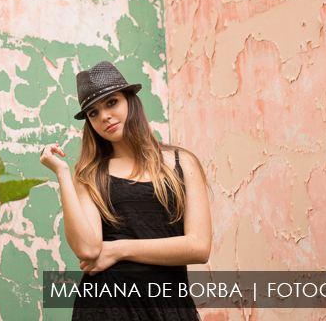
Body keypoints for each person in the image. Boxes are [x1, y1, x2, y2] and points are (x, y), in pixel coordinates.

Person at [40, 61, 211, 320]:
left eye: (111, 102)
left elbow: (199, 247)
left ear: (131, 101)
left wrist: (119, 249)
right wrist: (63, 173)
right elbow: (87, 250)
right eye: (93, 113)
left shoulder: (182, 162)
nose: (104, 116)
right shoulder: (90, 174)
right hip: (106, 307)